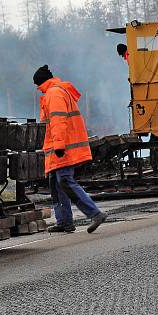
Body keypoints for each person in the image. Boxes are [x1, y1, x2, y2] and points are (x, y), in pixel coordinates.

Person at [34, 64, 107, 234]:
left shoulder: (54, 93)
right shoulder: (56, 91)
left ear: (41, 82)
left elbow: (59, 121)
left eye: (37, 85)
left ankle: (95, 214)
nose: (38, 89)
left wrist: (59, 145)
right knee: (57, 184)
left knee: (65, 181)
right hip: (56, 148)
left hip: (61, 148)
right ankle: (65, 222)